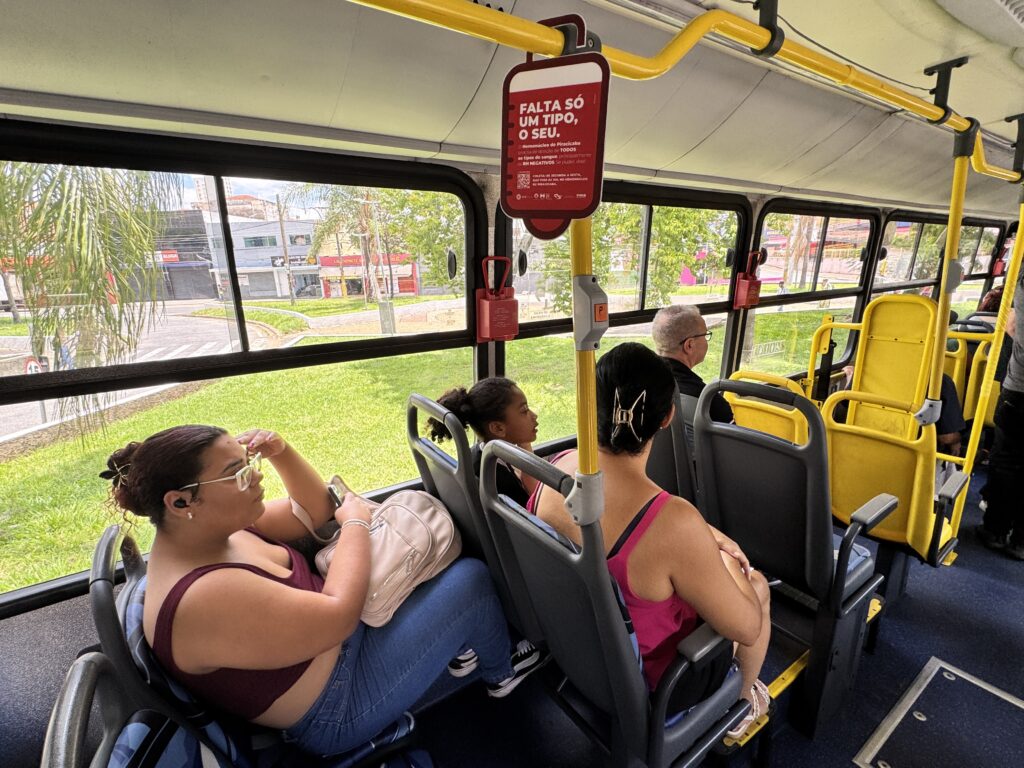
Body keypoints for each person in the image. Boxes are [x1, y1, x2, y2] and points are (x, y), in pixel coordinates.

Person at [102, 426, 546, 757]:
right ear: (181, 502)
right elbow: (338, 615)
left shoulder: (215, 531)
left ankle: (457, 646)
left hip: (339, 652)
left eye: (249, 464)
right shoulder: (202, 596)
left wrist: (280, 451)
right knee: (470, 580)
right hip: (337, 705)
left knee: (425, 558)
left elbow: (312, 513)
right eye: (237, 475)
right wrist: (355, 523)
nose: (255, 480)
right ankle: (500, 673)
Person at [531, 343, 771, 738]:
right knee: (756, 585)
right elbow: (745, 628)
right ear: (667, 418)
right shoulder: (673, 523)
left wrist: (705, 534)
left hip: (579, 648)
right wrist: (724, 560)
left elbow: (630, 502)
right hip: (657, 681)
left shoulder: (560, 466)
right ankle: (740, 704)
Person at [428, 378, 539, 507]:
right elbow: (539, 508)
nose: (534, 415)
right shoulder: (498, 482)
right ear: (498, 428)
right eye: (524, 410)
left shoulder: (477, 454)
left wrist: (524, 444)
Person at [977, 279, 1024, 561]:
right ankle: (1021, 540)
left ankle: (995, 529)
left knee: (1007, 459)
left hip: (1020, 388)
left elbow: (1015, 327)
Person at [652, 305, 733, 423]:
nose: (706, 340)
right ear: (689, 345)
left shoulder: (640, 382)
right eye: (705, 335)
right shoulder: (710, 402)